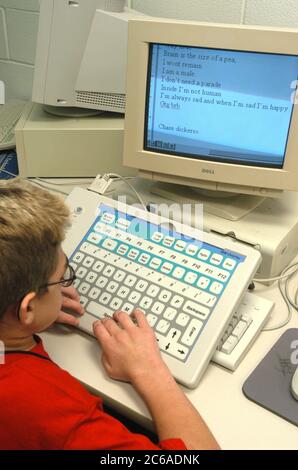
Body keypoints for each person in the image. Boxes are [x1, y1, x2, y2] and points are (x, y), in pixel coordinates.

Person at [0, 178, 219, 450]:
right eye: (61, 278)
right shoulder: (45, 407)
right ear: (27, 308)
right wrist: (150, 371)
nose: (66, 283)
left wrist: (25, 314)